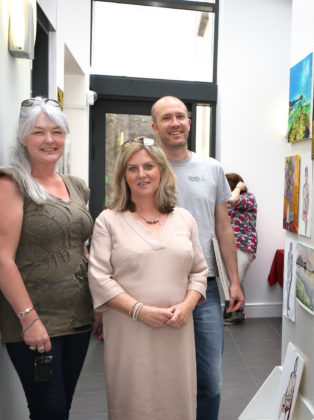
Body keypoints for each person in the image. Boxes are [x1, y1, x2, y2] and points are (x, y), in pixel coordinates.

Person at [88, 137, 208, 419]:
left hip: (177, 328)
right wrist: (140, 311)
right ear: (123, 176)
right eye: (132, 168)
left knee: (177, 397)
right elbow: (100, 278)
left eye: (148, 166)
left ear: (162, 171)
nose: (141, 174)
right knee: (134, 398)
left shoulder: (185, 219)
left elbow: (199, 271)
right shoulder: (109, 220)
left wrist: (188, 305)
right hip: (129, 330)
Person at [0, 97, 97, 419]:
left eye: (57, 131)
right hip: (36, 320)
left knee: (63, 407)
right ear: (23, 138)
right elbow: (3, 259)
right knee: (49, 411)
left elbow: (79, 247)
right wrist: (29, 319)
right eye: (39, 132)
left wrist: (96, 304)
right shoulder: (11, 183)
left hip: (78, 317)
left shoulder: (76, 186)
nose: (50, 140)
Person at [151, 96, 244, 420]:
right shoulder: (146, 168)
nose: (175, 123)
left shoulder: (212, 168)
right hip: (155, 288)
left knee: (210, 378)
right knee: (161, 377)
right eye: (166, 118)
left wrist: (235, 281)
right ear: (155, 126)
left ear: (189, 122)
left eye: (180, 116)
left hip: (205, 287)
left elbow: (223, 227)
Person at [224, 173, 258, 325]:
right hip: (229, 245)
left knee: (236, 278)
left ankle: (234, 312)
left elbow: (233, 200)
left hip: (244, 245)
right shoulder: (224, 202)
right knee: (234, 278)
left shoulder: (248, 198)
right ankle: (237, 311)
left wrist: (239, 186)